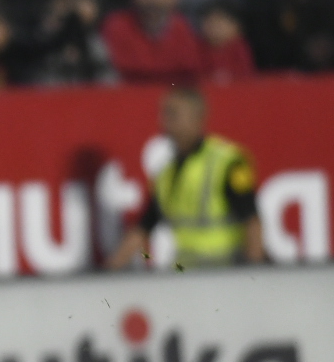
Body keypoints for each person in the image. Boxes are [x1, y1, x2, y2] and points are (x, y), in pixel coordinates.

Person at [108, 86, 264, 269]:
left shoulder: (227, 163)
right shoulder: (165, 174)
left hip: (227, 268)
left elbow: (252, 223)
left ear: (197, 118)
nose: (163, 121)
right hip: (188, 272)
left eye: (173, 114)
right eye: (164, 114)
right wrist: (109, 271)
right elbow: (143, 228)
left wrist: (255, 272)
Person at [100, 0, 202, 84]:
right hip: (127, 94)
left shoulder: (185, 26)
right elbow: (108, 71)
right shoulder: (116, 25)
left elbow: (192, 72)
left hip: (173, 94)